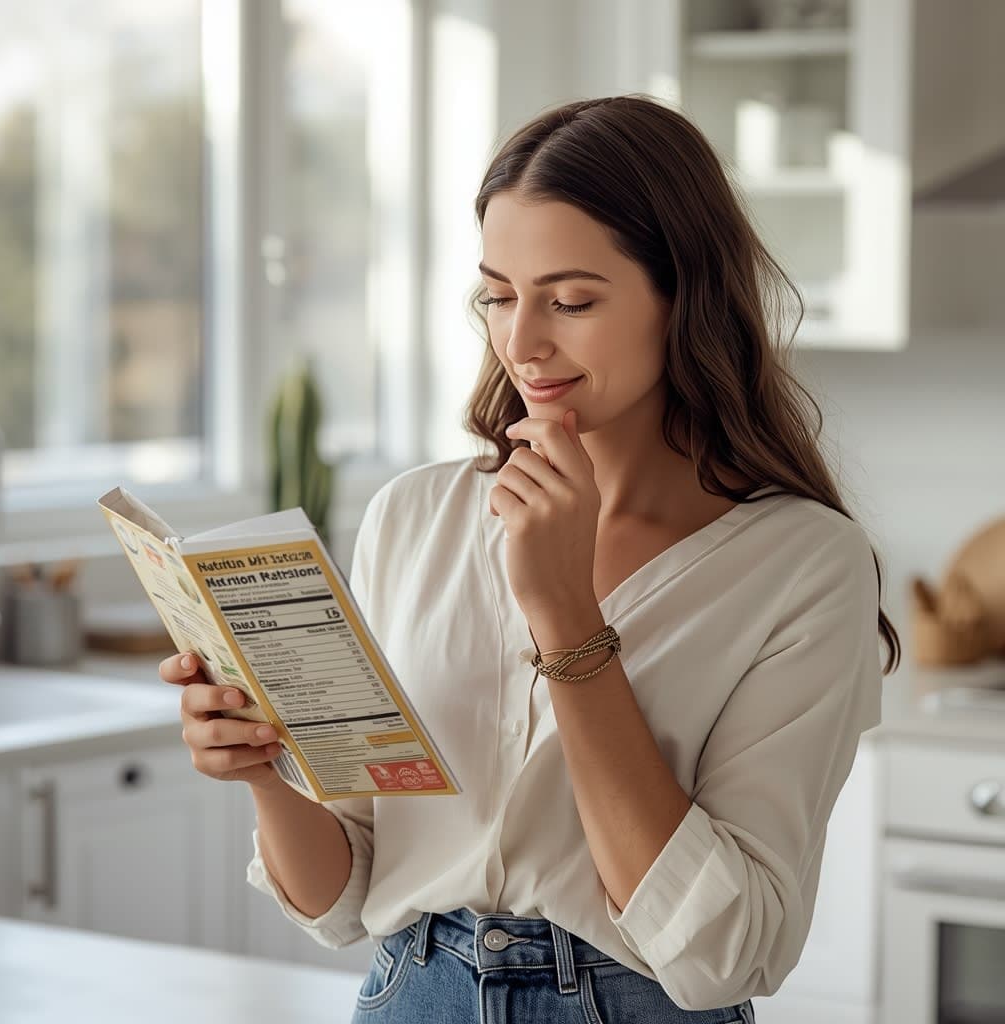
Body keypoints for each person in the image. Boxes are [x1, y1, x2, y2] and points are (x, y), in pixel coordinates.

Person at [160, 94, 899, 1023]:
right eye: (499, 296)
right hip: (409, 994)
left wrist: (565, 613)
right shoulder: (415, 517)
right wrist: (263, 771)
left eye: (572, 300)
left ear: (685, 296)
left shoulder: (803, 565)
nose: (522, 343)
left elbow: (724, 953)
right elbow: (344, 898)